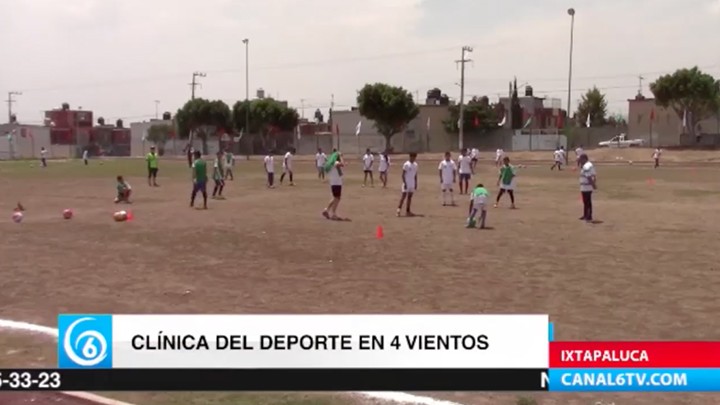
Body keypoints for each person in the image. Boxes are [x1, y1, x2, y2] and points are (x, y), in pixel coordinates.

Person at [322, 151, 345, 220]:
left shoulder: (332, 164)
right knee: (337, 198)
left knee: (336, 198)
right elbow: (343, 164)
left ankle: (327, 210)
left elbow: (340, 173)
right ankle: (333, 213)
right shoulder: (335, 163)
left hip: (335, 183)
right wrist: (341, 156)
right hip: (336, 183)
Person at [397, 152, 419, 217]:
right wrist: (405, 183)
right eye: (412, 157)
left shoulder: (415, 165)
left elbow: (415, 175)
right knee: (403, 196)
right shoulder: (406, 164)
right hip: (407, 183)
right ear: (410, 157)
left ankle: (408, 211)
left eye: (414, 157)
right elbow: (403, 174)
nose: (413, 158)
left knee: (409, 197)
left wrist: (415, 183)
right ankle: (398, 209)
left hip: (412, 183)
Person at [578, 154, 597, 222]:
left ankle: (588, 216)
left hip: (587, 187)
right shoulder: (588, 165)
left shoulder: (586, 166)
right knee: (585, 202)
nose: (580, 161)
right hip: (585, 186)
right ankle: (585, 214)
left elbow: (589, 177)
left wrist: (593, 184)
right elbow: (594, 175)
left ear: (584, 159)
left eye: (580, 159)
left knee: (587, 202)